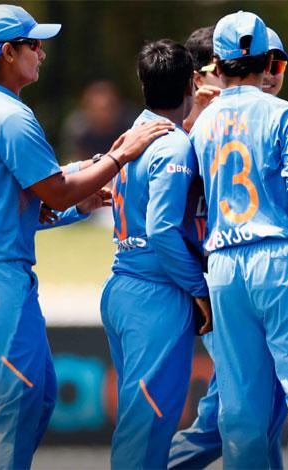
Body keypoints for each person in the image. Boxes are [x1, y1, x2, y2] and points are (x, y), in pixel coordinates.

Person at [0, 5, 170, 468]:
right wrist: (119, 154)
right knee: (18, 405)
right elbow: (57, 190)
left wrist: (84, 189)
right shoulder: (6, 114)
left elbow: (32, 202)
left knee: (40, 397)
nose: (42, 53)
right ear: (7, 53)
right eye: (33, 44)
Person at [189, 11, 288, 469]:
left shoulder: (202, 123)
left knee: (239, 409)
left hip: (224, 265)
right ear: (269, 63)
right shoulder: (285, 114)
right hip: (285, 258)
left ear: (217, 62)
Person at [168, 24, 288, 470]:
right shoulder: (186, 134)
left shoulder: (271, 123)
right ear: (209, 73)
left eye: (276, 64)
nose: (270, 74)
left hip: (247, 282)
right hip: (218, 288)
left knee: (261, 412)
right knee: (230, 414)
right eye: (260, 64)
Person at [100, 38, 212, 469]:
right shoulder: (172, 145)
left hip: (122, 287)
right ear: (190, 82)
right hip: (156, 296)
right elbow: (163, 230)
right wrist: (199, 287)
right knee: (147, 429)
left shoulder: (134, 133)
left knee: (137, 423)